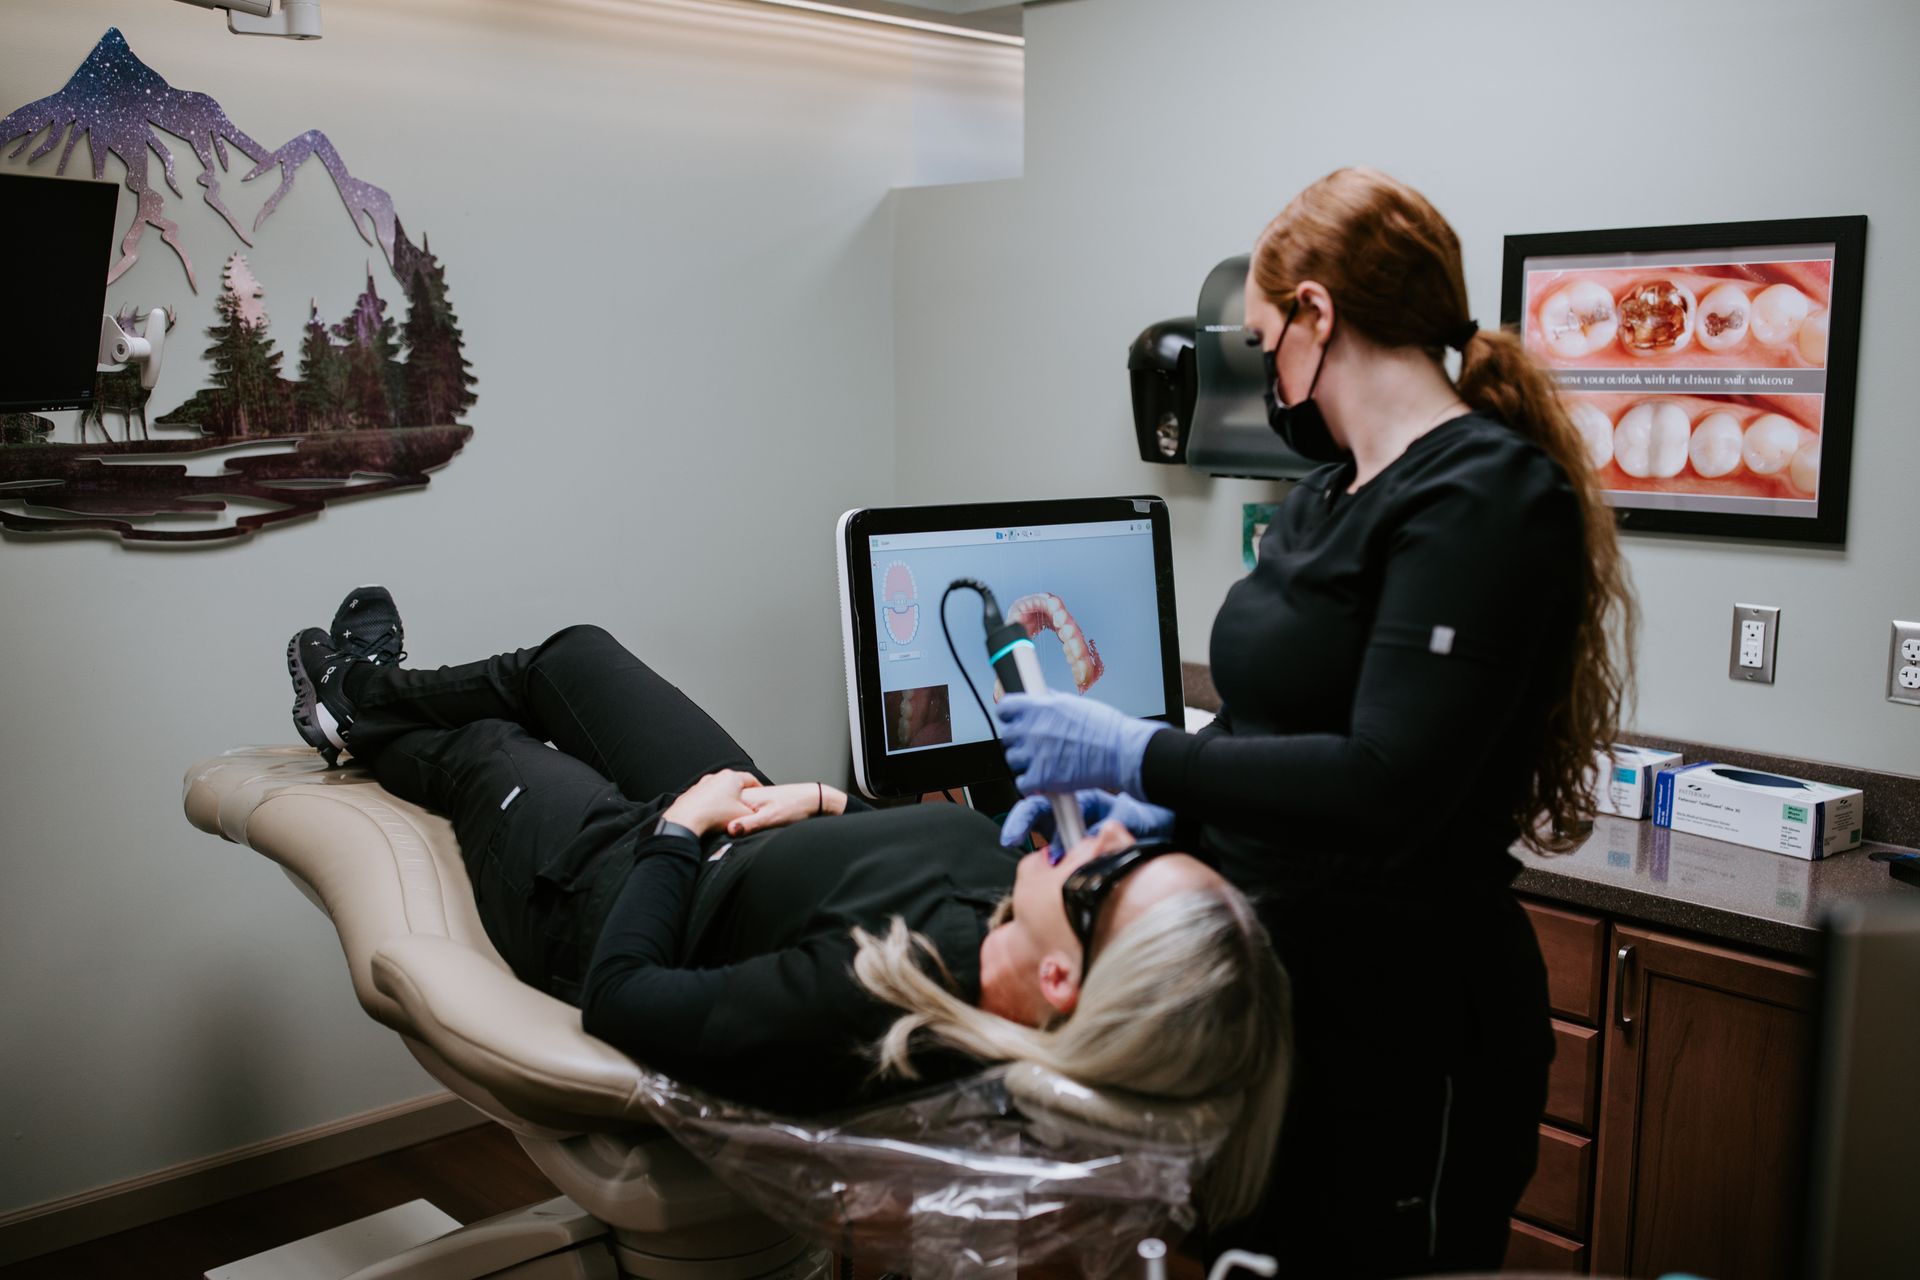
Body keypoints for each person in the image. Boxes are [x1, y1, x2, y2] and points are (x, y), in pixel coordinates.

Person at [997, 167, 1636, 1274]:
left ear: (1317, 314)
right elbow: (1263, 725)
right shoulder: (1322, 498)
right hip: (1275, 995)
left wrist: (1137, 752)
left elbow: (1388, 779)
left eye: (1261, 342)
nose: (1266, 376)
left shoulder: (1484, 495)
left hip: (1404, 1022)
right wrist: (1152, 807)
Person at [284, 588, 1292, 1225]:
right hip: (754, 822)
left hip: (613, 891)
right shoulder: (1015, 916)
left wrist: (676, 833)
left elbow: (623, 995)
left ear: (1062, 978)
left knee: (488, 747)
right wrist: (825, 800)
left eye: (1111, 876)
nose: (1108, 837)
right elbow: (896, 860)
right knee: (572, 657)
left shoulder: (887, 996)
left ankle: (358, 707)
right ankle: (368, 694)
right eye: (1143, 847)